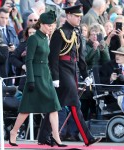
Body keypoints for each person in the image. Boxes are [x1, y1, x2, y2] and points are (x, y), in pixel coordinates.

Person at [38, 4, 101, 146]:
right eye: (76, 17)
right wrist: (55, 77)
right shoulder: (59, 32)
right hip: (62, 72)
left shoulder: (77, 32)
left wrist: (85, 75)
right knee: (74, 104)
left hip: (73, 72)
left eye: (80, 17)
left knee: (55, 105)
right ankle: (87, 138)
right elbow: (53, 57)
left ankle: (43, 137)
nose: (79, 19)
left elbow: (80, 57)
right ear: (68, 16)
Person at [9, 10, 67, 147]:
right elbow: (28, 61)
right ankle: (13, 132)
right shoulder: (34, 38)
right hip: (35, 76)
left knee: (54, 106)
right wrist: (30, 80)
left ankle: (56, 137)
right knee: (27, 108)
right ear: (41, 24)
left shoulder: (45, 38)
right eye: (48, 25)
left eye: (52, 25)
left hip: (45, 76)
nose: (51, 27)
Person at [99, 46, 124, 112]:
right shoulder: (107, 65)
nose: (117, 56)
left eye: (120, 55)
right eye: (116, 54)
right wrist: (110, 79)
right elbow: (100, 81)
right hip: (112, 93)